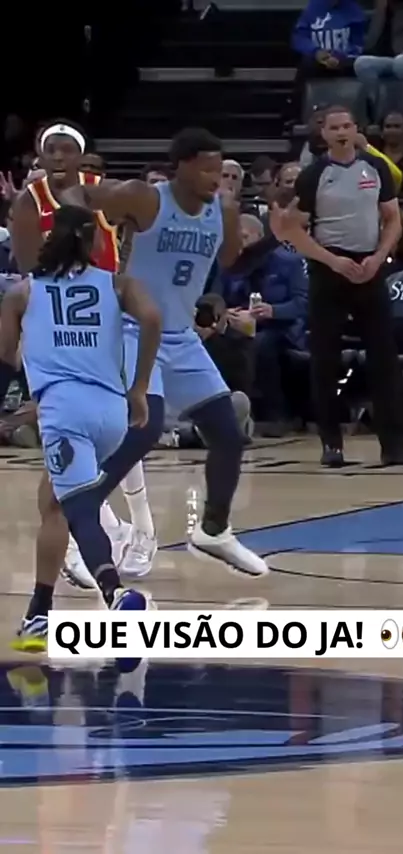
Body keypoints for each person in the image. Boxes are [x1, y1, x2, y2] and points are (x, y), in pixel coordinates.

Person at [41, 127, 269, 596]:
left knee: (228, 434)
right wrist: (79, 221)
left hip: (181, 335)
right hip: (129, 328)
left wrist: (265, 243)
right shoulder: (144, 198)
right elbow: (77, 194)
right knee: (144, 429)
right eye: (206, 168)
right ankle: (78, 523)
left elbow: (226, 261)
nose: (215, 177)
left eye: (220, 168)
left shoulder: (223, 210)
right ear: (181, 167)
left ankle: (213, 530)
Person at [0, 205, 162, 650]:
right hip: (112, 412)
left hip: (64, 412)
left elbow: (6, 357)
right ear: (93, 242)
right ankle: (39, 613)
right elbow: (152, 318)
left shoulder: (23, 292)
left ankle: (116, 593)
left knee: (78, 510)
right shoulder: (116, 283)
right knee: (53, 503)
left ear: (48, 239)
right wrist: (140, 388)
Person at [10, 119, 158, 587]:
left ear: (79, 155)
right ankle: (100, 531)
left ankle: (135, 526)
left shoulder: (102, 191)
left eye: (65, 149)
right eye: (49, 149)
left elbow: (135, 230)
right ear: (39, 155)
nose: (57, 157)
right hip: (56, 316)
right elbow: (28, 267)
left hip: (103, 314)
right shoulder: (29, 201)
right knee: (75, 430)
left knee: (111, 423)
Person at [270, 105, 403, 467]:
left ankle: (395, 445)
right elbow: (295, 231)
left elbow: (392, 219)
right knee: (325, 359)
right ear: (323, 133)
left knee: (384, 358)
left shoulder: (376, 167)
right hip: (329, 269)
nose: (341, 132)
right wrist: (332, 261)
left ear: (357, 130)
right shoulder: (313, 176)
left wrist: (379, 257)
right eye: (334, 127)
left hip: (370, 265)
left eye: (347, 126)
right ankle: (331, 443)